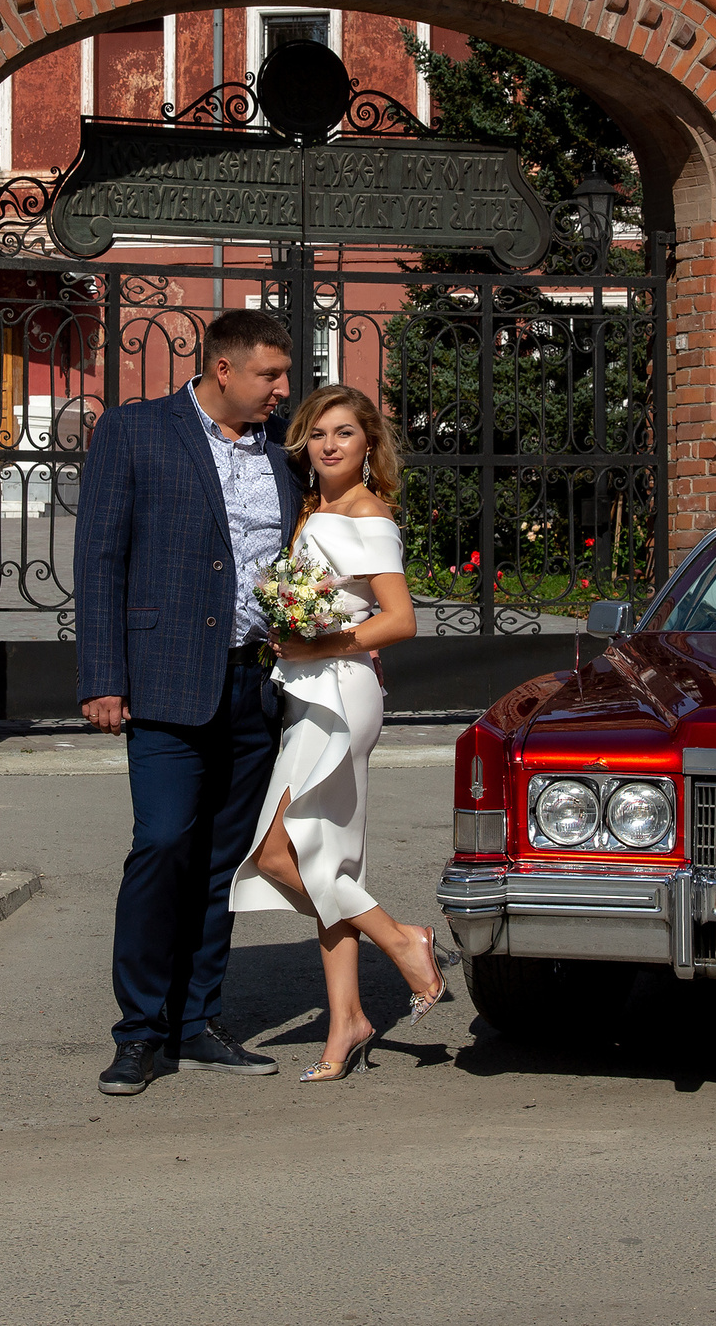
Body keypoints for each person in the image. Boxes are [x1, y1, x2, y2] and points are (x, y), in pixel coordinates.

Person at [76, 308, 300, 1096]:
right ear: (224, 370)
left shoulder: (282, 458)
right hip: (164, 679)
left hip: (253, 686)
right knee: (163, 845)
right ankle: (139, 1031)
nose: (282, 387)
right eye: (271, 374)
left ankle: (197, 1019)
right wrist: (103, 677)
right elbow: (100, 555)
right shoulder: (137, 433)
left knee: (221, 864)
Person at [230, 383, 448, 1083]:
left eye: (345, 433)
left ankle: (400, 938)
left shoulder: (368, 515)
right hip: (307, 694)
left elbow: (401, 620)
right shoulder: (314, 508)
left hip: (341, 695)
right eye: (319, 432)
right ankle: (347, 1020)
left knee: (273, 853)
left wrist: (324, 646)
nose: (329, 444)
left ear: (368, 445)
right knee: (326, 858)